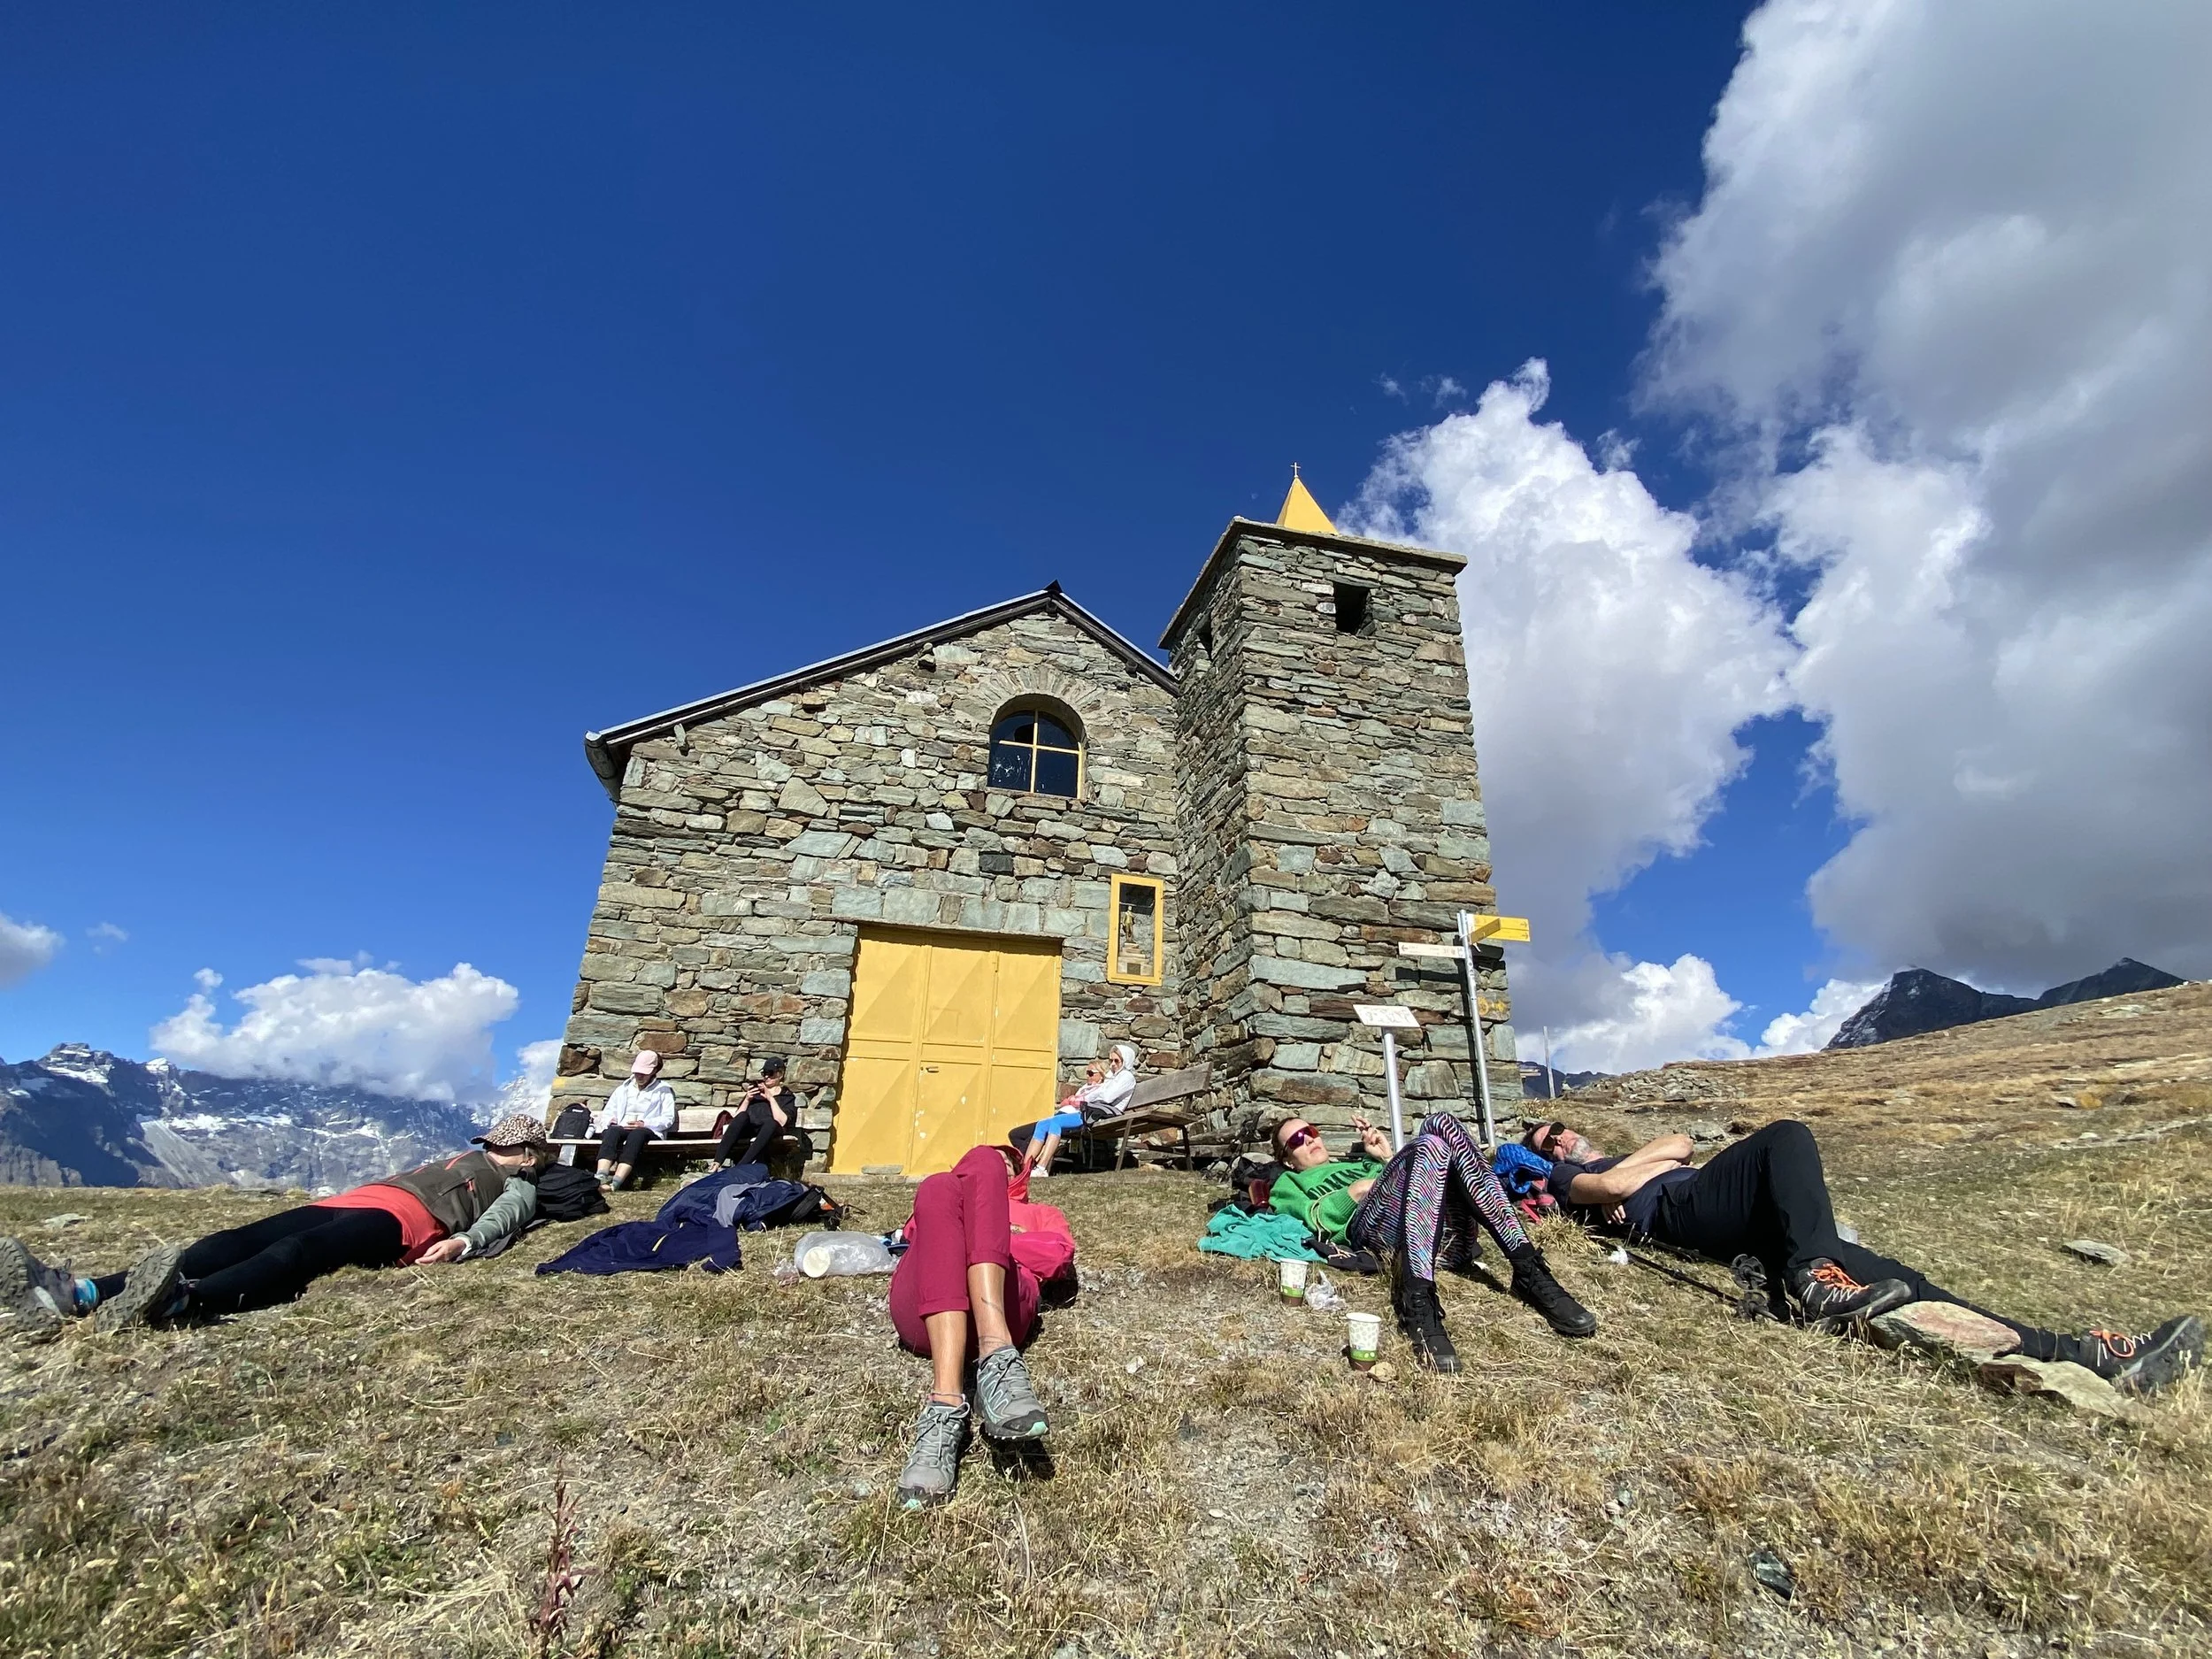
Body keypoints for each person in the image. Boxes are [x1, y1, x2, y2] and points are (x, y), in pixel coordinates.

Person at [1529, 1118, 2205, 1394]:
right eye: (1546, 1138)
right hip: (1687, 1212)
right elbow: (1615, 1186)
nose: (1560, 1139)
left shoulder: (1628, 1151)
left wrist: (1646, 1158)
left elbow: (1679, 1140)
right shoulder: (1564, 1179)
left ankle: (2080, 1353)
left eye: (1561, 1128)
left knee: (1902, 1279)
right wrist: (1630, 1175)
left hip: (1737, 1211)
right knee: (1786, 1136)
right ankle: (1811, 1276)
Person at [1, 1114, 555, 1340]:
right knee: (231, 1240)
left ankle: (180, 1302)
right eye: (491, 1142)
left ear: (527, 1152)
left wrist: (463, 1241)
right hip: (356, 1200)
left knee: (301, 1250)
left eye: (504, 1145)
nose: (491, 1149)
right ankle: (81, 1293)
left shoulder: (521, 1183)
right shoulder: (465, 1159)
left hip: (401, 1223)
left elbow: (505, 1218)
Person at [1270, 1110, 1594, 1372]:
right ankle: (1419, 1300)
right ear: (1287, 1159)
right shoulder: (1288, 1182)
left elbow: (1425, 1179)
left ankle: (1529, 1270)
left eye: (1310, 1130)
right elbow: (1314, 1218)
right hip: (1378, 1234)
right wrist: (1358, 1190)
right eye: (1298, 1139)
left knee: (1441, 1127)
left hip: (1443, 1237)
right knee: (1433, 1141)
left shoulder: (1359, 1162)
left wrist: (1385, 1158)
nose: (1310, 1139)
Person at [890, 1144, 1075, 1508]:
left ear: (1021, 1173)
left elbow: (1056, 1255)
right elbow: (915, 1236)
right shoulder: (948, 1194)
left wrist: (993, 1242)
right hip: (928, 1316)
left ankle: (968, 1382)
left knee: (978, 1162)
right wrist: (972, 1235)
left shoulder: (1037, 1212)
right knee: (936, 1187)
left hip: (1003, 1305)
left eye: (1010, 1162)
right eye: (1001, 1159)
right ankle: (969, 1385)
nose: (1002, 1164)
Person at [1022, 1043, 1137, 1178]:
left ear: (1126, 1060)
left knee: (1056, 1123)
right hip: (1091, 1110)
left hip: (1103, 1113)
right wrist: (1095, 1094)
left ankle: (1042, 1167)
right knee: (1042, 1124)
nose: (1112, 1064)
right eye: (1111, 1060)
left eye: (1116, 1061)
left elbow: (1107, 1097)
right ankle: (1025, 1168)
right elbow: (1095, 1094)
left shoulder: (1127, 1077)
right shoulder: (1113, 1076)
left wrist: (1094, 1095)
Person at [712, 1056, 811, 1175]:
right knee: (743, 1116)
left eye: (770, 1073)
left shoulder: (786, 1096)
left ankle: (742, 1166)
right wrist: (748, 1099)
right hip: (750, 1127)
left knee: (771, 1123)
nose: (766, 1077)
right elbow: (736, 1119)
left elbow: (782, 1121)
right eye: (764, 1073)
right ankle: (717, 1162)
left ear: (780, 1074)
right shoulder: (755, 1093)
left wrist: (770, 1098)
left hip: (769, 1130)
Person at [594, 1049, 677, 1189]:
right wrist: (610, 1121)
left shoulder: (664, 1090)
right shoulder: (623, 1089)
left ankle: (616, 1182)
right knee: (612, 1132)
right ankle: (601, 1177)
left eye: (644, 1073)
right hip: (622, 1127)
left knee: (637, 1134)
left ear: (654, 1071)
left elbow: (668, 1118)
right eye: (637, 1072)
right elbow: (608, 1111)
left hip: (648, 1132)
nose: (639, 1076)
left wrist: (645, 1124)